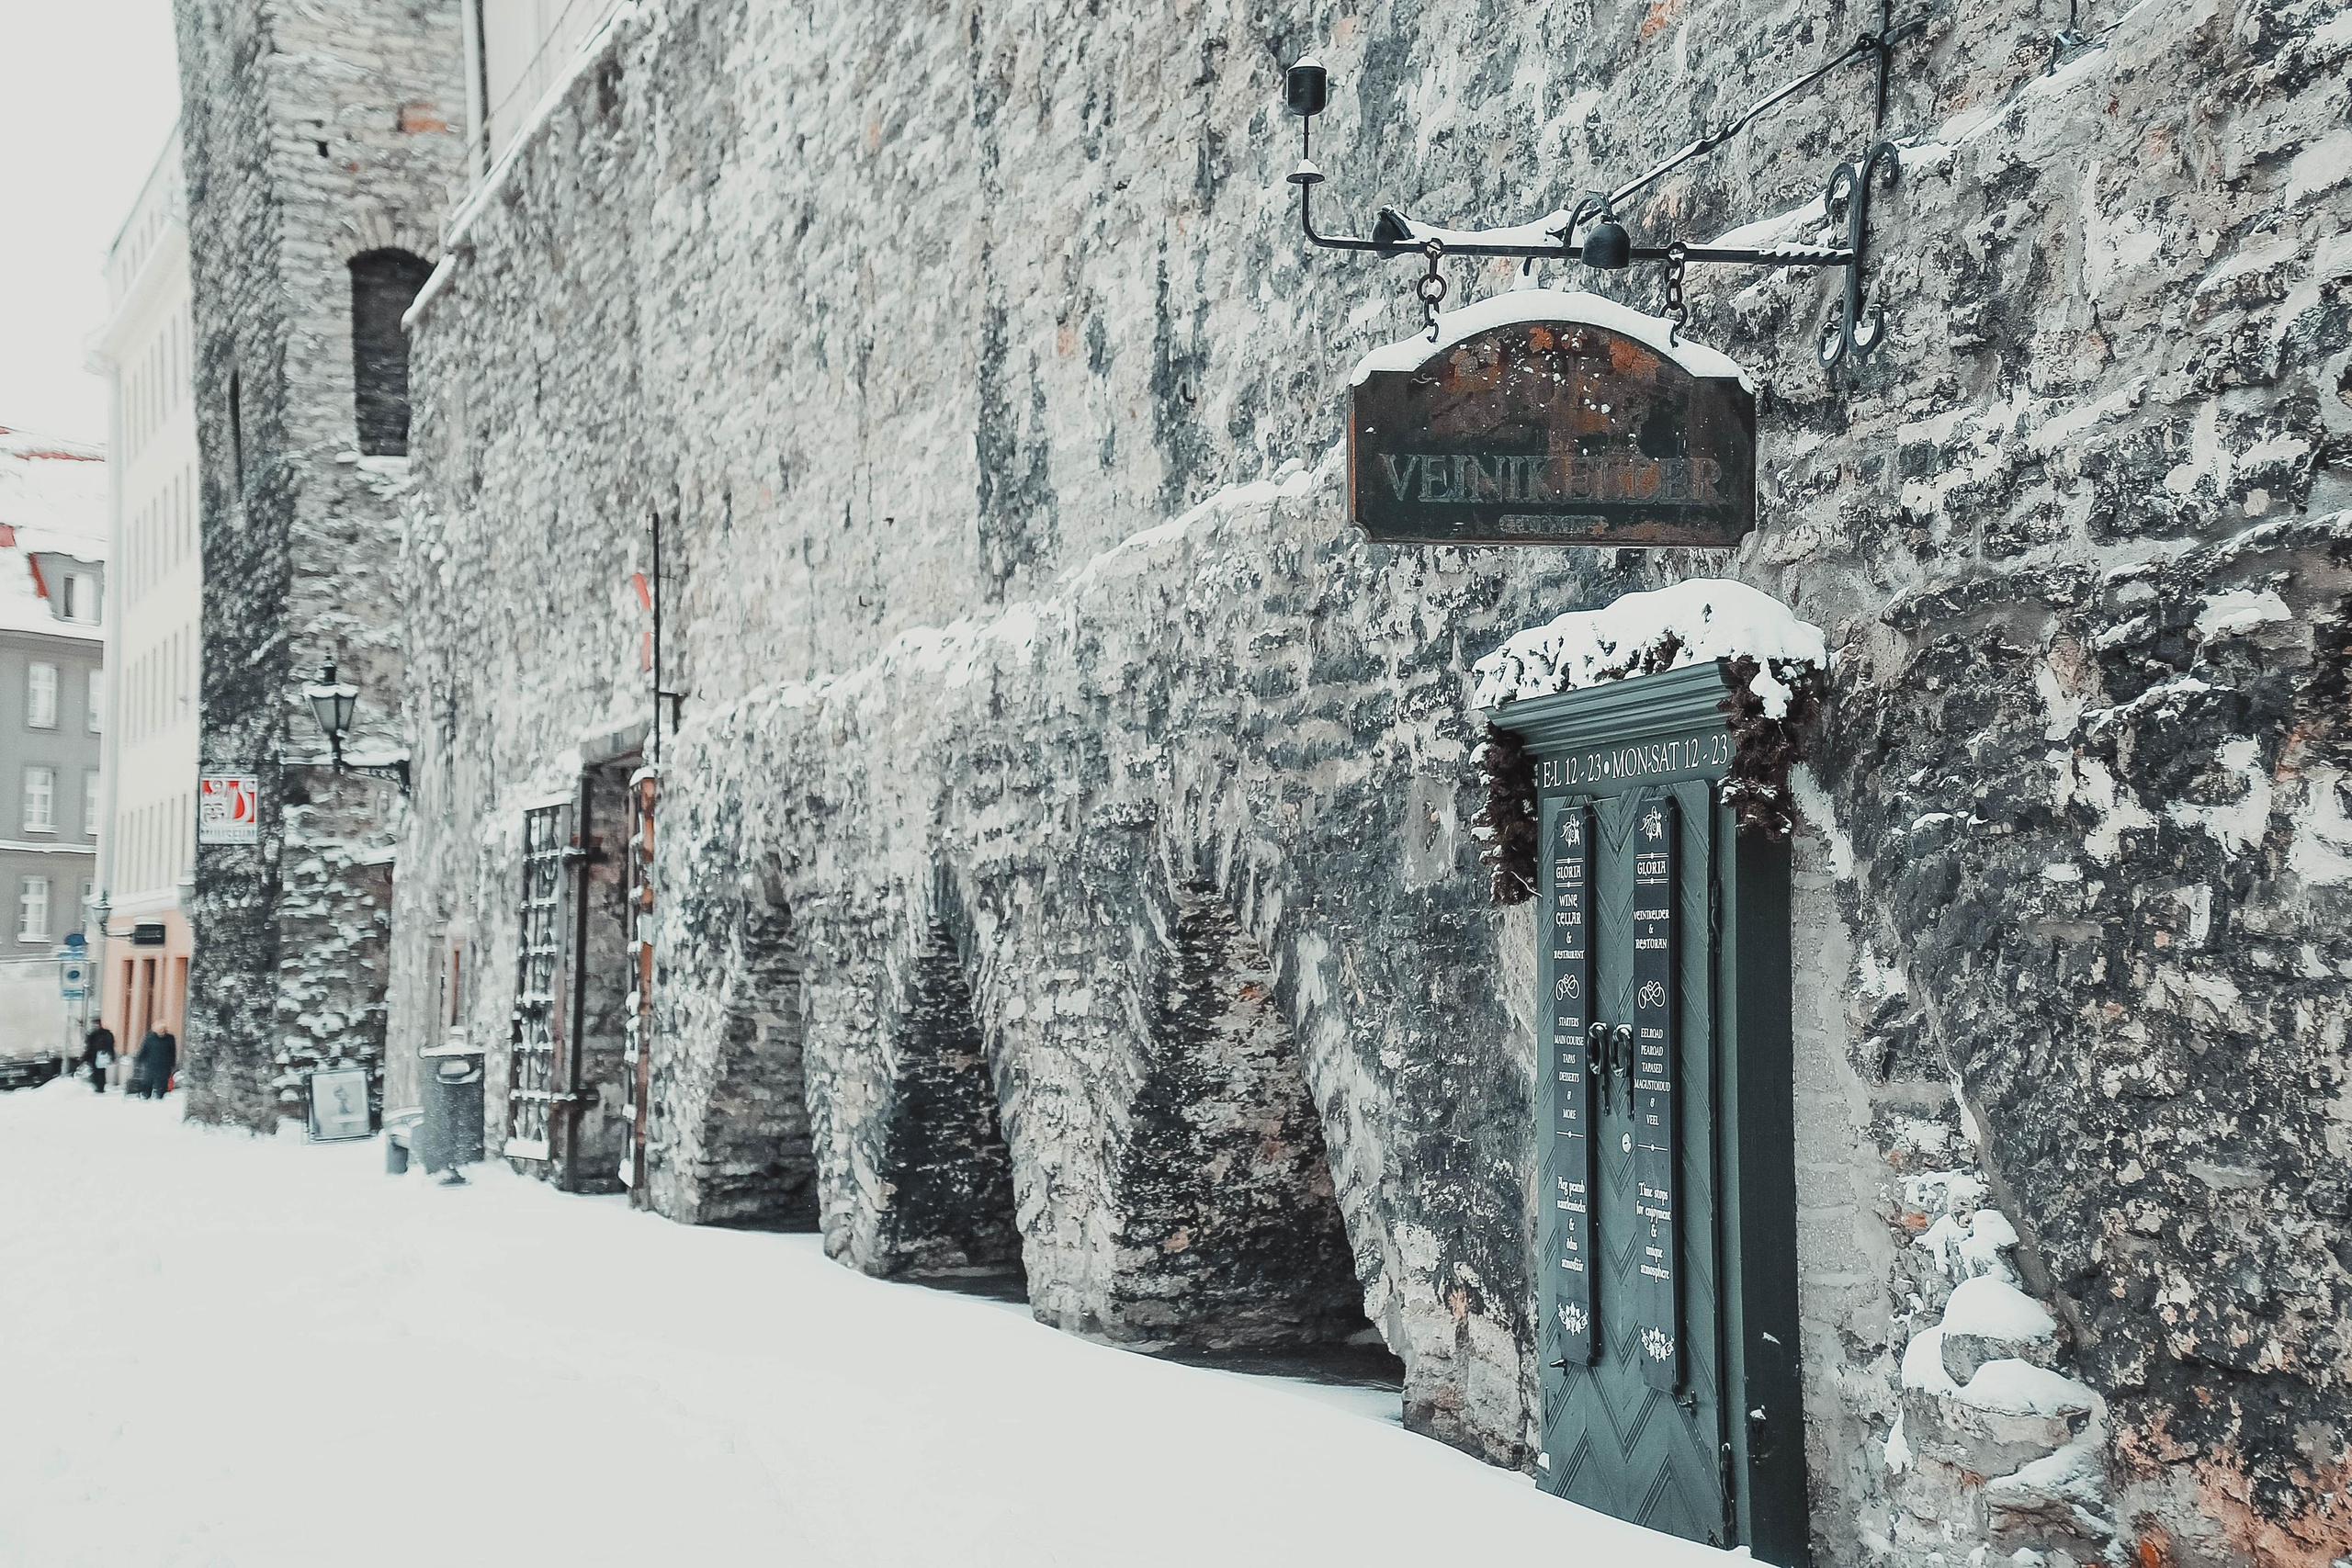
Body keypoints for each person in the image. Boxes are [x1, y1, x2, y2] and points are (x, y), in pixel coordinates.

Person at [133, 1028, 173, 1100]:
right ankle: (146, 1094)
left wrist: (172, 1063)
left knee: (162, 1080)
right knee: (148, 1079)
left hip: (164, 1063)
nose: (161, 1032)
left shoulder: (170, 1039)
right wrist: (139, 1059)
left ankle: (160, 1095)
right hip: (151, 1062)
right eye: (160, 1030)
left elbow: (172, 1052)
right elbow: (144, 1049)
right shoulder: (150, 1038)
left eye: (163, 1030)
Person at [82, 1023, 115, 1093]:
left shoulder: (105, 1034)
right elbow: (89, 1046)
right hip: (94, 1056)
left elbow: (110, 1045)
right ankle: (98, 1086)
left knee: (101, 1072)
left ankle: (100, 1087)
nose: (95, 1026)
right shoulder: (93, 1035)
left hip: (102, 1055)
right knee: (96, 1072)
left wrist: (111, 1055)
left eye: (96, 1025)